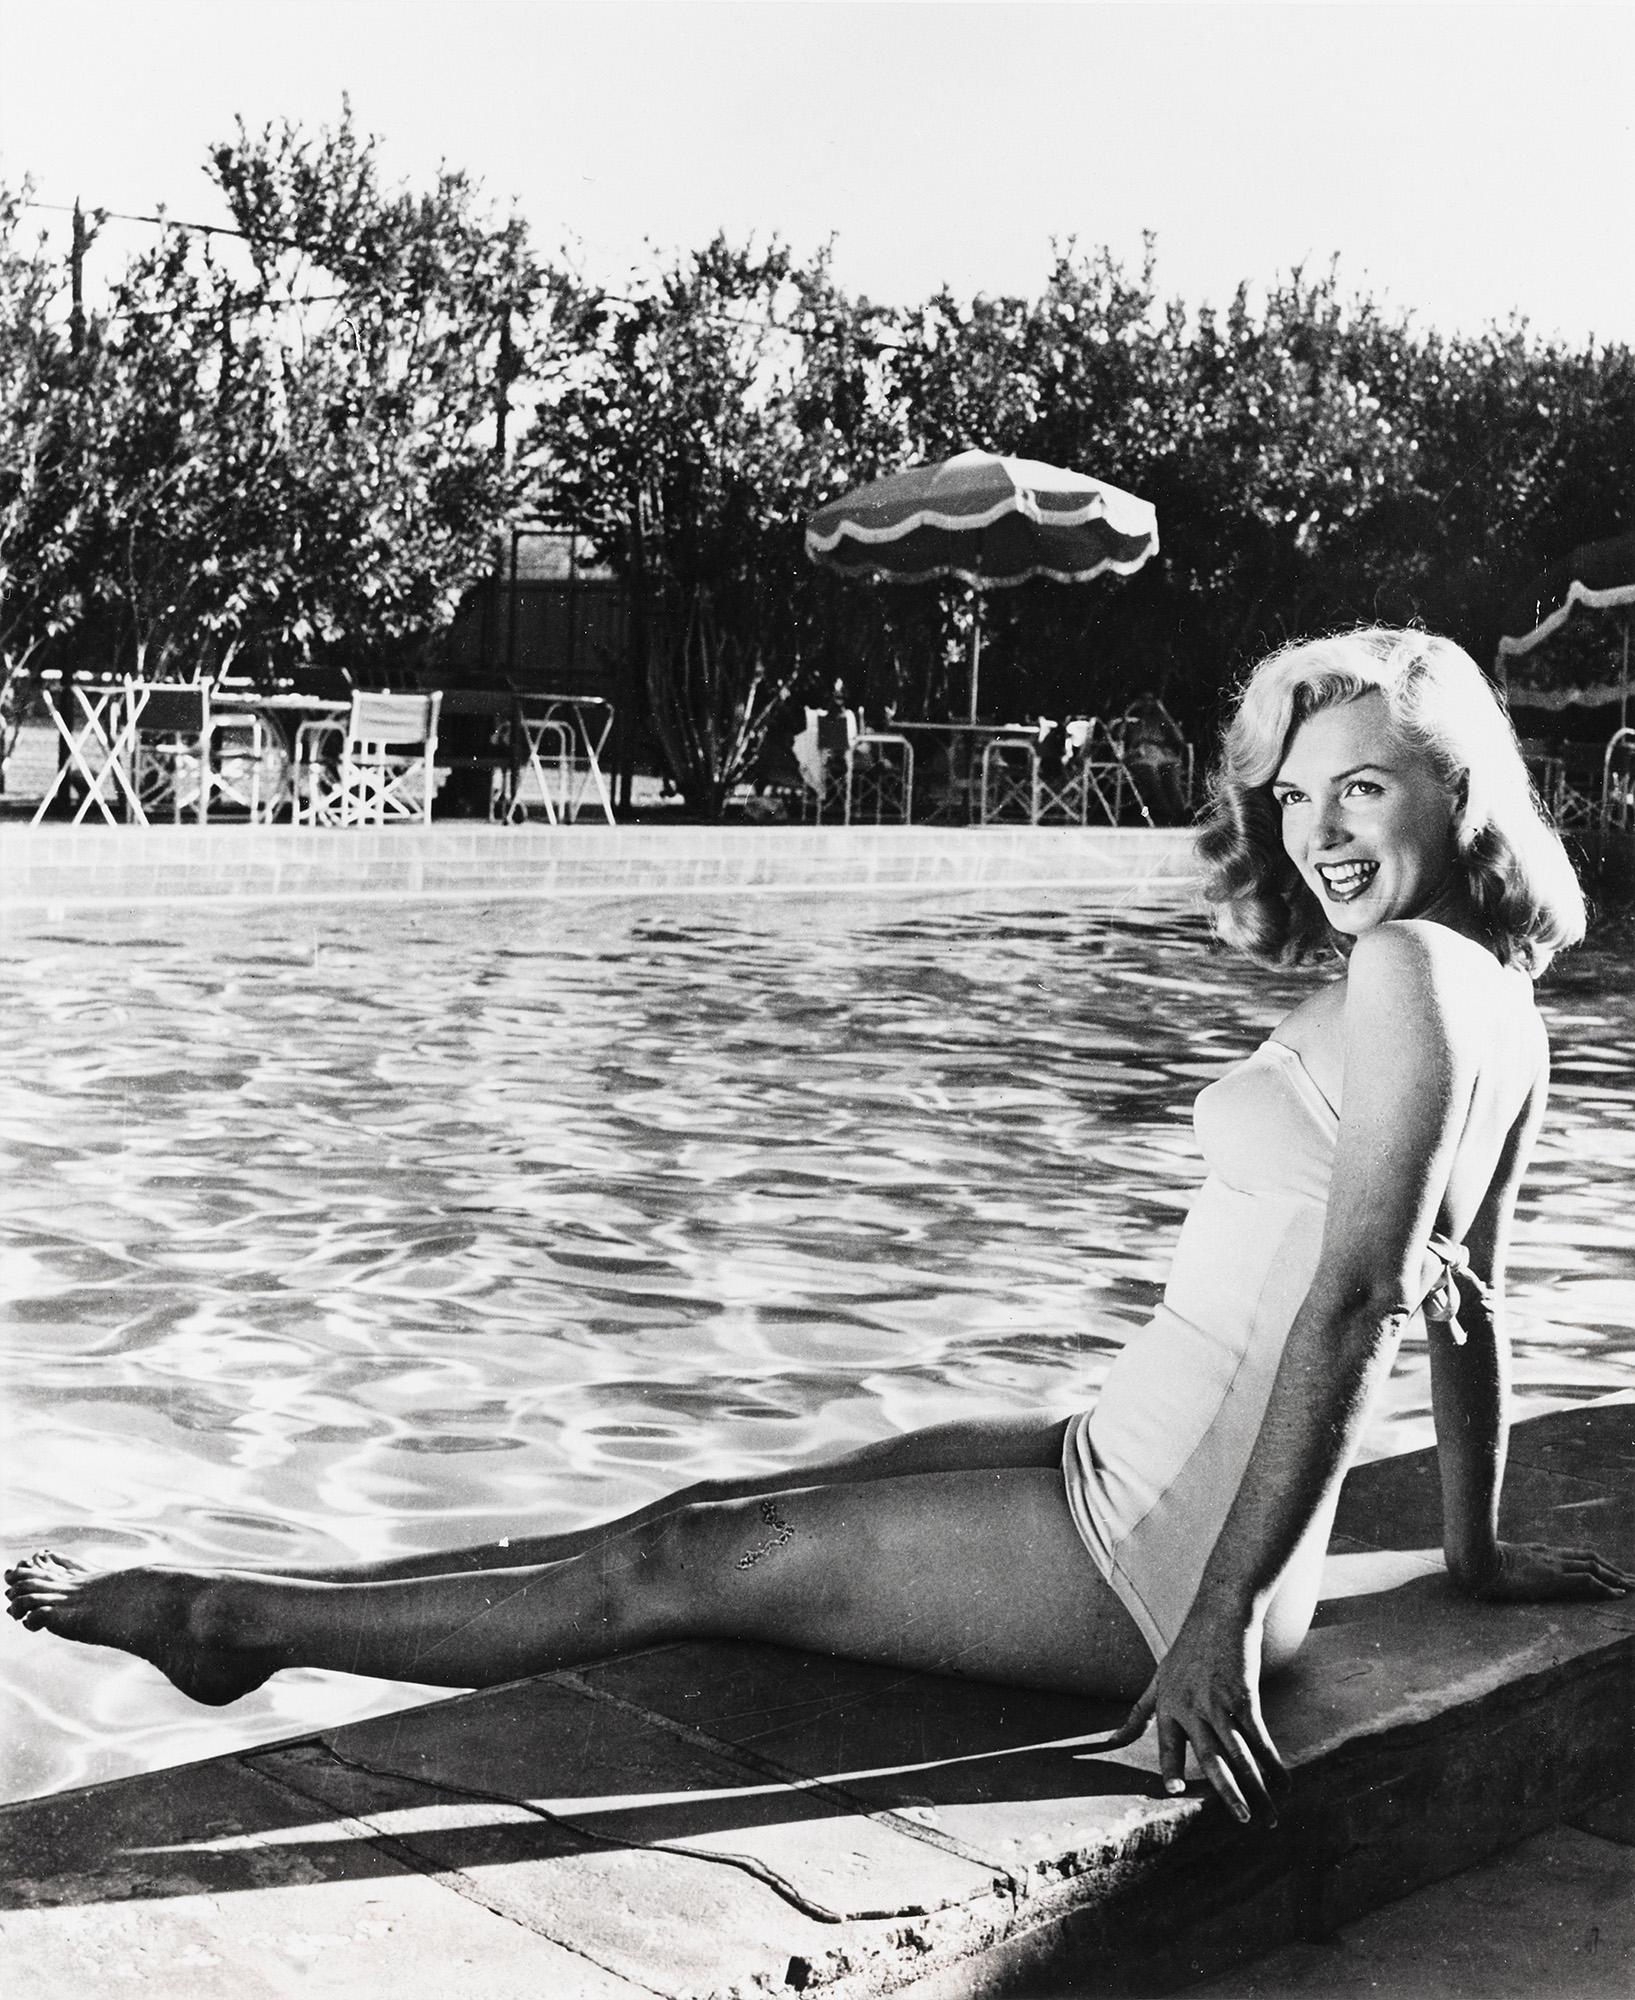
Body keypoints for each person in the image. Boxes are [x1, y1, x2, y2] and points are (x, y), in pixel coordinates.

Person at [9, 628, 1630, 1830]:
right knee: (700, 1506)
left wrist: (1212, 1631)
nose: (1320, 832)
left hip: (1158, 1561)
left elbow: (1364, 1303)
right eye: (1297, 795)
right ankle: (273, 1588)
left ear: (1457, 788)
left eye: (1363, 788)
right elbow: (1476, 1305)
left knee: (678, 1563)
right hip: (1117, 1459)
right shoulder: (1505, 1008)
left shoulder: (1409, 974)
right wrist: (1474, 1555)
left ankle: (229, 1623)